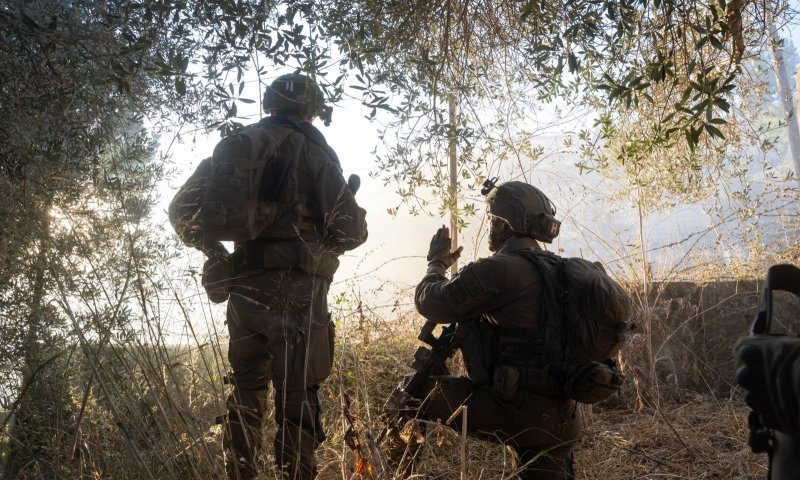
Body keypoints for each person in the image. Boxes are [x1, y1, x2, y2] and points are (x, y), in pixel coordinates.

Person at [171, 73, 368, 479]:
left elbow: (180, 210)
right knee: (297, 404)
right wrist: (321, 246)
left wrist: (216, 253)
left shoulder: (238, 147)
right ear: (310, 109)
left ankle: (240, 473)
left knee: (245, 397)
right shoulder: (315, 149)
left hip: (244, 293)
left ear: (269, 104)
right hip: (299, 295)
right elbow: (352, 230)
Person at [386, 181, 582, 479]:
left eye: (492, 219)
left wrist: (436, 263)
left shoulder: (500, 269)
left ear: (505, 224)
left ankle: (400, 474)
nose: (490, 226)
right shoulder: (558, 268)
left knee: (413, 393)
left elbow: (430, 301)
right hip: (563, 417)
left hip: (516, 412)